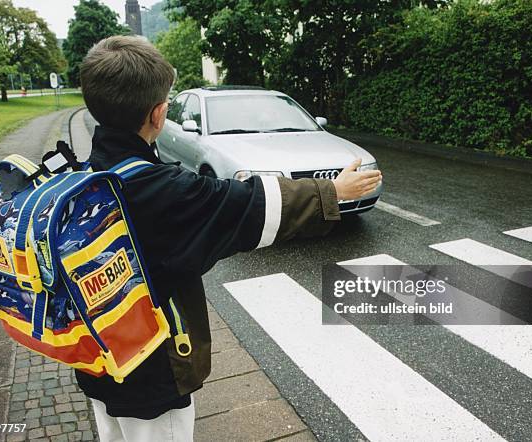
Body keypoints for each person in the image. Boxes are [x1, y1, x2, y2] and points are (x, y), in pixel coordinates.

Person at [78, 35, 382, 441]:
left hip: (94, 355)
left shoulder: (82, 172)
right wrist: (333, 192)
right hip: (151, 371)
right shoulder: (163, 188)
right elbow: (247, 203)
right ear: (158, 114)